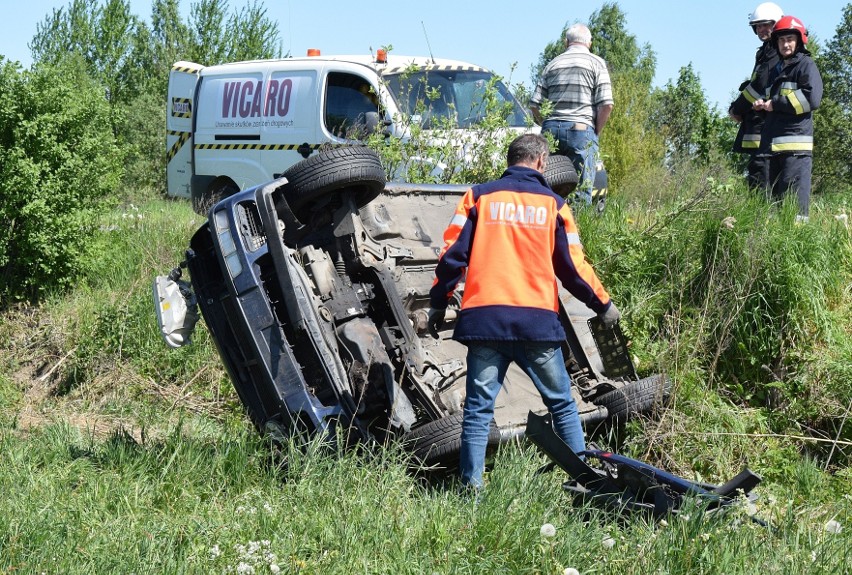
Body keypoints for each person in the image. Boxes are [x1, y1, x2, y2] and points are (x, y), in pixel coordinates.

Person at [427, 134, 621, 488]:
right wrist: (603, 303)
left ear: (510, 159)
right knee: (562, 405)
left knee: (478, 412)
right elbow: (573, 269)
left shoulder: (478, 196)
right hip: (536, 324)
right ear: (542, 162)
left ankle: (472, 494)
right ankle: (584, 487)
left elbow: (452, 255)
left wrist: (439, 302)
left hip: (485, 322)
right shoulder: (554, 205)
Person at [530, 24, 614, 206]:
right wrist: (595, 132)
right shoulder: (596, 63)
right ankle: (576, 231)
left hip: (551, 129)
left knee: (549, 186)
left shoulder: (552, 64)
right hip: (581, 129)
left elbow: (534, 104)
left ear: (566, 42)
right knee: (582, 188)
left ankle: (548, 228)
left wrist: (546, 123)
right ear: (589, 43)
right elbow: (606, 104)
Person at [752, 15, 823, 221]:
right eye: (781, 40)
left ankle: (799, 245)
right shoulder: (776, 70)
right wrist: (762, 106)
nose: (786, 44)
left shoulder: (806, 65)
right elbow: (773, 100)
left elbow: (812, 98)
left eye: (790, 39)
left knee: (795, 205)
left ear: (799, 40)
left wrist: (775, 103)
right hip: (773, 148)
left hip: (796, 150)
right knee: (774, 204)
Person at [729, 2, 784, 190]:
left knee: (762, 172)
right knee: (757, 169)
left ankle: (763, 216)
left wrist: (737, 108)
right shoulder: (766, 51)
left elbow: (759, 85)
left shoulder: (775, 50)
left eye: (765, 25)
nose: (761, 29)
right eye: (758, 26)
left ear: (776, 24)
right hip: (759, 120)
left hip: (766, 122)